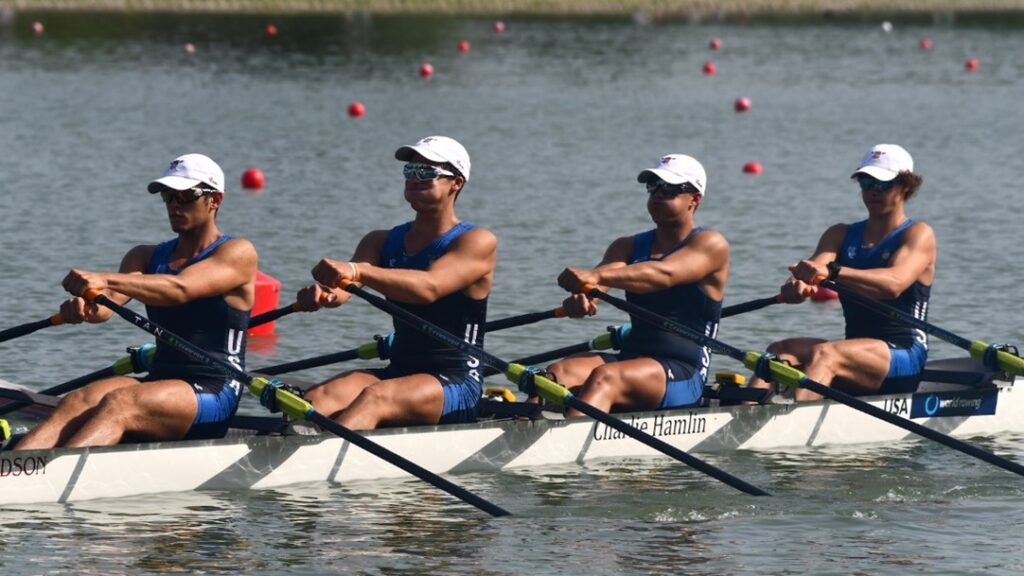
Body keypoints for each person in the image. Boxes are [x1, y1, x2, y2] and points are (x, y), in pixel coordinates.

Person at [16, 153, 257, 449]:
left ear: (214, 200)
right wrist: (84, 308)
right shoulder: (144, 256)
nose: (174, 204)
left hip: (215, 391)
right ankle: (14, 472)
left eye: (186, 195)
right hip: (160, 380)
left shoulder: (237, 253)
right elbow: (105, 308)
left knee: (120, 403)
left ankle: (47, 479)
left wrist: (104, 279)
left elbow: (179, 288)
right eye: (168, 195)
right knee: (77, 400)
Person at [297, 136, 496, 430]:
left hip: (455, 383)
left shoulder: (476, 241)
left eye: (427, 173)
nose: (414, 178)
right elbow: (340, 292)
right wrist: (321, 295)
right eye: (410, 171)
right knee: (316, 398)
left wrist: (357, 271)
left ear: (456, 183)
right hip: (399, 371)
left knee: (375, 397)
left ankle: (316, 461)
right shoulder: (380, 241)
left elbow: (429, 287)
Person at [748, 144, 934, 401]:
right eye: (865, 182)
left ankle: (791, 424)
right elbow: (814, 271)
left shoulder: (917, 234)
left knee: (826, 354)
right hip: (855, 353)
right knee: (779, 352)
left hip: (903, 357)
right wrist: (797, 287)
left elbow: (893, 284)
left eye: (881, 184)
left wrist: (833, 272)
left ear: (905, 185)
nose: (871, 191)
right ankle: (741, 412)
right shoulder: (840, 234)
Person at [546, 154, 729, 415]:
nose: (657, 194)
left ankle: (563, 444)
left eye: (669, 189)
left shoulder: (710, 244)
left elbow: (663, 274)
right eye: (653, 186)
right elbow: (598, 286)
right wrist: (582, 300)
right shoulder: (627, 246)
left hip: (683, 372)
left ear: (695, 199)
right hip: (630, 360)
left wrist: (595, 277)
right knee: (557, 373)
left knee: (605, 377)